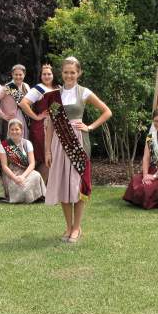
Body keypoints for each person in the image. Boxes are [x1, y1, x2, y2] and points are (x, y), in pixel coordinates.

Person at [39, 56, 112, 243]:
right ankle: (69, 226)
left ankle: (77, 227)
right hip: (59, 144)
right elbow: (51, 125)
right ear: (61, 73)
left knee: (78, 184)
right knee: (63, 183)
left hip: (78, 143)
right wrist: (47, 151)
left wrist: (90, 126)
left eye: (73, 72)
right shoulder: (54, 96)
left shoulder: (84, 92)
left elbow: (107, 111)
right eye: (66, 72)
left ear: (79, 73)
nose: (69, 75)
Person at [123, 109, 158, 209]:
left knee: (150, 187)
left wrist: (154, 176)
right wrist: (145, 175)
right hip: (153, 169)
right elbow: (146, 157)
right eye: (156, 121)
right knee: (136, 180)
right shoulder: (150, 136)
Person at [19, 64, 57, 183]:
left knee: (54, 154)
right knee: (44, 156)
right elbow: (23, 103)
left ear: (53, 75)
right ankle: (38, 185)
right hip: (42, 127)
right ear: (41, 76)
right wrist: (36, 116)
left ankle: (50, 185)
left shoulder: (58, 88)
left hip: (57, 126)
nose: (46, 76)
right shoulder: (38, 89)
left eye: (49, 74)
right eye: (44, 74)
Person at [0, 118, 46, 203]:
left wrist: (23, 176)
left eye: (17, 129)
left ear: (21, 131)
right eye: (12, 129)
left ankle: (29, 195)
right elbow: (4, 166)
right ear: (9, 131)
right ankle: (25, 196)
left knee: (36, 175)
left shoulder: (27, 143)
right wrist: (15, 178)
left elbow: (32, 164)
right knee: (20, 186)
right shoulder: (4, 145)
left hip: (25, 171)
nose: (14, 132)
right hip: (11, 173)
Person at [0, 64, 30, 140]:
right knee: (11, 142)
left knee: (23, 141)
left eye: (20, 75)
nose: (18, 77)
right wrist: (2, 115)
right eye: (16, 75)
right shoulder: (9, 87)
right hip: (11, 120)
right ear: (12, 74)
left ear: (24, 75)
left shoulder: (26, 86)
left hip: (24, 118)